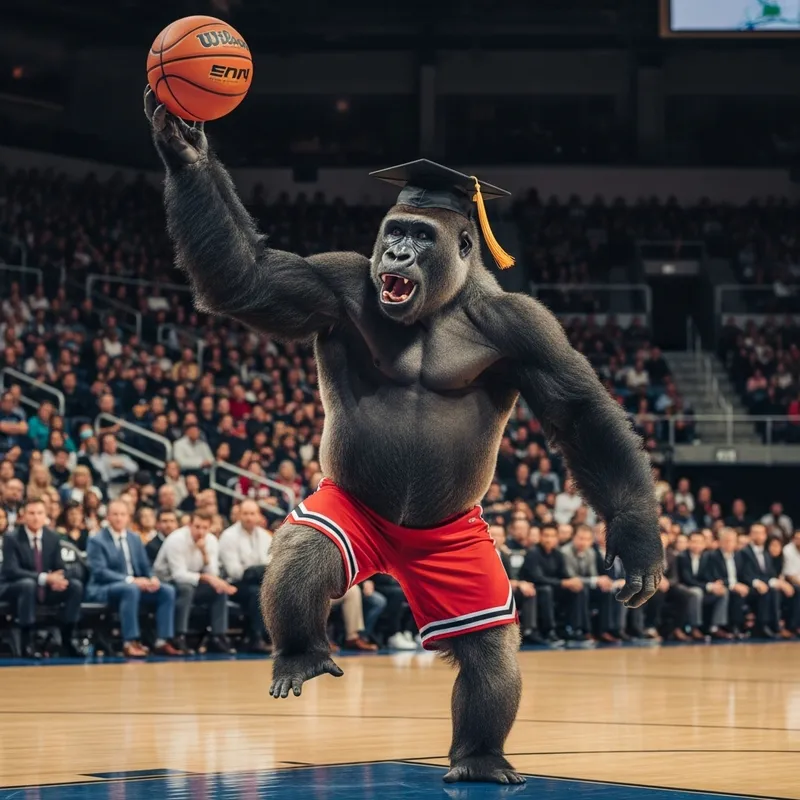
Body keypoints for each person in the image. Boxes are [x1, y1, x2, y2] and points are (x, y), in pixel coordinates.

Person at [146, 94, 663, 785]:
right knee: (298, 558)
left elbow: (584, 418)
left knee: (493, 652)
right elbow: (237, 281)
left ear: (466, 247)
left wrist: (630, 516)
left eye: (420, 236)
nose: (396, 248)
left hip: (450, 526)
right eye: (394, 230)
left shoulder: (512, 324)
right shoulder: (346, 288)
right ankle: (298, 645)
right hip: (352, 504)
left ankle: (478, 752)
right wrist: (193, 169)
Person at [85, 500, 183, 658]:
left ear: (128, 517)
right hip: (104, 588)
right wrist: (131, 580)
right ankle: (130, 642)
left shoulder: (134, 539)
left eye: (122, 514)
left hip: (134, 588)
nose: (119, 518)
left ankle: (162, 641)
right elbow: (100, 572)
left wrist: (152, 578)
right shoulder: (97, 540)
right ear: (108, 517)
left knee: (167, 590)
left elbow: (145, 566)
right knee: (130, 589)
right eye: (115, 514)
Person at [0, 499, 85, 657]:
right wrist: (44, 578)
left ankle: (68, 638)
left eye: (40, 513)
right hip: (14, 587)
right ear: (23, 515)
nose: (35, 517)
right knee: (28, 585)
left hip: (44, 587)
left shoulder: (52, 537)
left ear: (45, 516)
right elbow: (11, 570)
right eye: (31, 513)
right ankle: (28, 642)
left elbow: (59, 566)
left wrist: (59, 579)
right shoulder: (12, 538)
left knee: (75, 586)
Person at [153, 510, 238, 655]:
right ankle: (179, 636)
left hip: (194, 580)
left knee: (218, 591)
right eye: (197, 527)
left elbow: (213, 573)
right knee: (186, 589)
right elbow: (178, 575)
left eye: (204, 527)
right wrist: (207, 578)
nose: (200, 531)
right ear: (189, 525)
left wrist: (204, 553)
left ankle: (218, 636)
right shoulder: (176, 540)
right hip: (167, 581)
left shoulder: (210, 540)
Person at [218, 500, 273, 653]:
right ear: (238, 515)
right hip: (233, 584)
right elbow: (234, 571)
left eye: (252, 514)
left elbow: (271, 563)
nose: (249, 517)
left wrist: (254, 570)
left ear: (258, 516)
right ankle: (256, 637)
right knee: (257, 592)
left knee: (276, 590)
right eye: (245, 513)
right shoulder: (228, 536)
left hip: (260, 581)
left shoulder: (265, 536)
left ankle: (274, 636)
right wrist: (256, 570)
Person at [676, 530, 730, 640]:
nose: (696, 545)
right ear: (689, 543)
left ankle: (715, 626)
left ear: (704, 544)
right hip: (685, 589)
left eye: (699, 542)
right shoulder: (682, 557)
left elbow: (711, 576)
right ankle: (694, 627)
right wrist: (708, 586)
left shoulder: (707, 557)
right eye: (694, 541)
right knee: (697, 592)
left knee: (723, 591)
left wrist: (716, 584)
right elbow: (687, 580)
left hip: (702, 588)